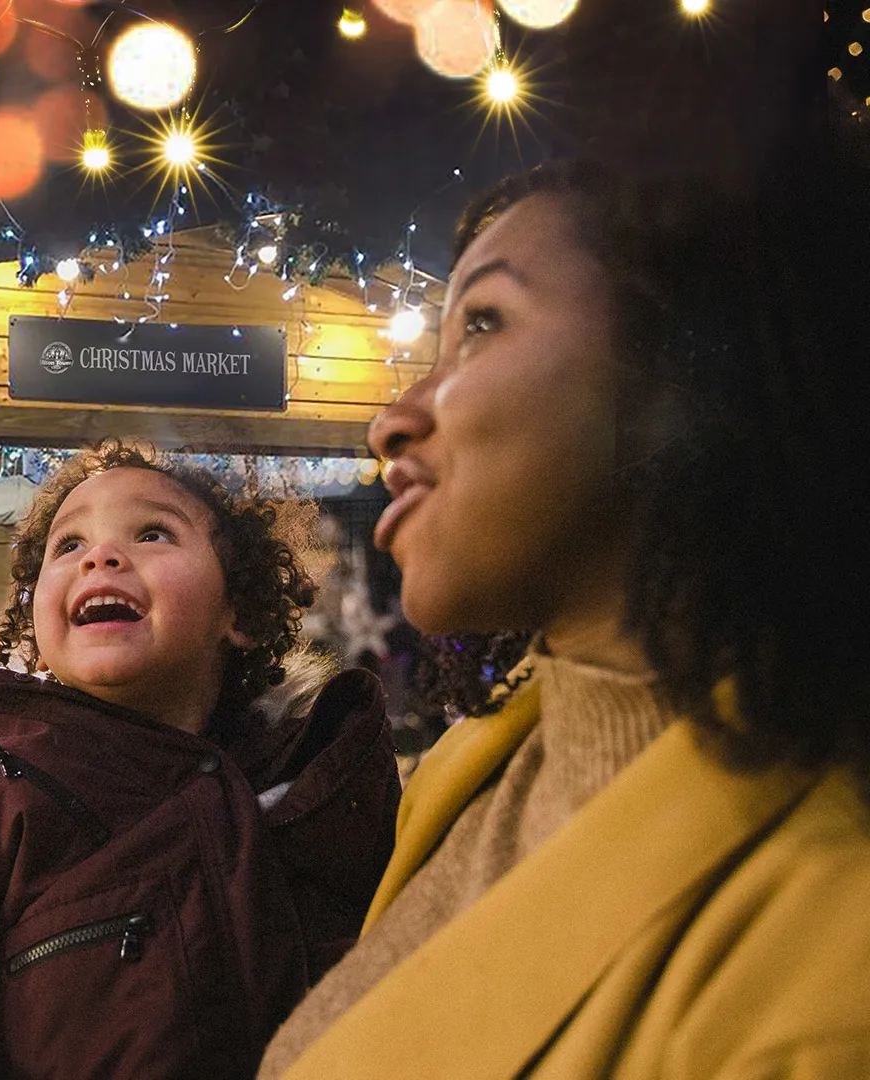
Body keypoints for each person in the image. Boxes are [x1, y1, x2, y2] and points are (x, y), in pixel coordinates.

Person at [258, 154, 870, 1079]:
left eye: (485, 324)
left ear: (688, 386)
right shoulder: (469, 771)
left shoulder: (828, 962)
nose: (391, 421)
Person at [0, 443, 400, 1080]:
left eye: (153, 532)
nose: (100, 555)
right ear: (36, 618)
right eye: (68, 545)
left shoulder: (314, 783)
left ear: (237, 611)